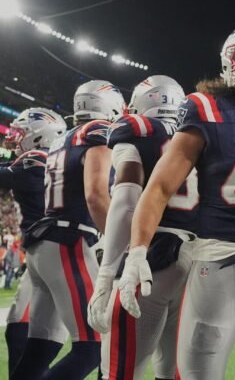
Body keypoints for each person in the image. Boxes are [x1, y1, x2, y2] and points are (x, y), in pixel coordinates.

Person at [118, 22, 235, 380]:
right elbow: (158, 188)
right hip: (219, 263)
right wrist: (137, 251)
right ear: (229, 62)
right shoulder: (206, 108)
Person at [86, 75, 197, 380]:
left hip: (151, 257)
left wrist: (106, 273)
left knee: (119, 371)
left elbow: (126, 202)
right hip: (199, 261)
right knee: (174, 370)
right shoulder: (199, 132)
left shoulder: (139, 130)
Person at [11, 80, 124, 380]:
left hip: (46, 244)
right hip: (68, 242)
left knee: (40, 349)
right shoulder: (98, 132)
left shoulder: (64, 138)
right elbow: (96, 195)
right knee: (94, 346)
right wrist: (120, 245)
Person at [0, 107, 67, 375]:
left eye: (22, 132)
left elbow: (6, 174)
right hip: (45, 251)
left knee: (31, 333)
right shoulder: (50, 159)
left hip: (53, 252)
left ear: (40, 136)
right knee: (20, 328)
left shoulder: (37, 159)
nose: (15, 137)